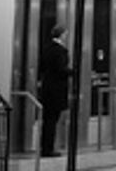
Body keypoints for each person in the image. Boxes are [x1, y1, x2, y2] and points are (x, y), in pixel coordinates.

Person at [39, 25, 72, 158]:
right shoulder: (60, 51)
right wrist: (72, 72)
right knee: (52, 120)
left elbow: (43, 67)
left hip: (47, 89)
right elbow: (61, 69)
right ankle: (48, 149)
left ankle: (45, 147)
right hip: (56, 90)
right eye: (65, 34)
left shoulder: (46, 48)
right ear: (62, 35)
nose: (66, 36)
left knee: (48, 120)